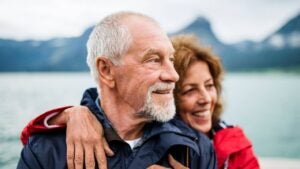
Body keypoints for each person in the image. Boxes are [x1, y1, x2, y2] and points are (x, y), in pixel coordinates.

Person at [17, 12, 217, 169]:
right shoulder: (45, 150)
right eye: (154, 60)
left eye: (171, 60)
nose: (173, 75)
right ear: (106, 70)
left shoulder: (198, 148)